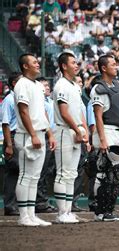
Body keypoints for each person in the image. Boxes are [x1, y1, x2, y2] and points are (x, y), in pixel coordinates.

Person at [14, 53, 57, 226]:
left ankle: (31, 214)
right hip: (27, 134)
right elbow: (24, 111)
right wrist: (32, 134)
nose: (38, 64)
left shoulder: (38, 85)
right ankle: (23, 216)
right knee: (25, 175)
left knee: (35, 176)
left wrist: (49, 133)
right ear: (25, 66)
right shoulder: (22, 84)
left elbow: (42, 111)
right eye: (34, 62)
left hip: (40, 132)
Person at [90, 55, 119, 222]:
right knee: (106, 173)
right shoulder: (99, 88)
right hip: (105, 131)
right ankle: (101, 210)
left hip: (117, 132)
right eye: (113, 64)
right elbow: (98, 116)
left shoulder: (118, 87)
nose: (116, 67)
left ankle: (108, 210)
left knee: (116, 174)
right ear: (103, 68)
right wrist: (102, 139)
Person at [52, 52, 89, 223]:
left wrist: (84, 130)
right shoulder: (61, 85)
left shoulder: (75, 85)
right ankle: (62, 213)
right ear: (64, 66)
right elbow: (64, 112)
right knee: (63, 173)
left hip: (76, 131)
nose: (76, 65)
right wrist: (77, 129)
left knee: (72, 173)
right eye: (73, 63)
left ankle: (68, 211)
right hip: (64, 131)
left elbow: (79, 111)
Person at [35, 77, 58, 214]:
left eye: (48, 85)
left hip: (53, 137)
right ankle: (40, 202)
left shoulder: (51, 101)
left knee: (48, 171)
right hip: (44, 135)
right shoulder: (39, 102)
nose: (47, 87)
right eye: (44, 86)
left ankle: (43, 200)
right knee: (42, 171)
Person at [2, 72, 22, 216]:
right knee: (13, 172)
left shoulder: (19, 98)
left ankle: (16, 203)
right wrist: (9, 144)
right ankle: (9, 205)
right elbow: (6, 124)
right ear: (14, 83)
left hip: (20, 136)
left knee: (21, 172)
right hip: (13, 137)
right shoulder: (9, 99)